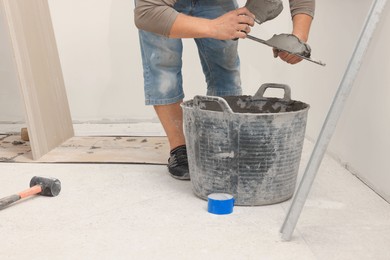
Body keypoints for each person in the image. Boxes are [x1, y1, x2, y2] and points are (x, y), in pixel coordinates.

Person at [134, 0, 315, 180]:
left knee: (225, 69)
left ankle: (223, 144)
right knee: (164, 68)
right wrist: (214, 27)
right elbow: (147, 13)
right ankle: (179, 149)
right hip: (158, 7)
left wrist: (298, 37)